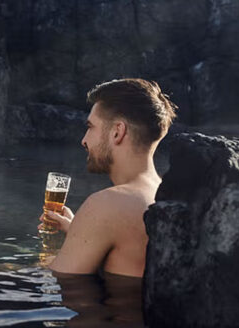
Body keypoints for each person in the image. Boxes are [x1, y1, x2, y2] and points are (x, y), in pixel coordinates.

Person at [40, 78, 177, 277]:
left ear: (117, 132)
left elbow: (56, 279)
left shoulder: (106, 205)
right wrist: (78, 231)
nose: (84, 140)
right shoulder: (165, 193)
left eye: (91, 127)